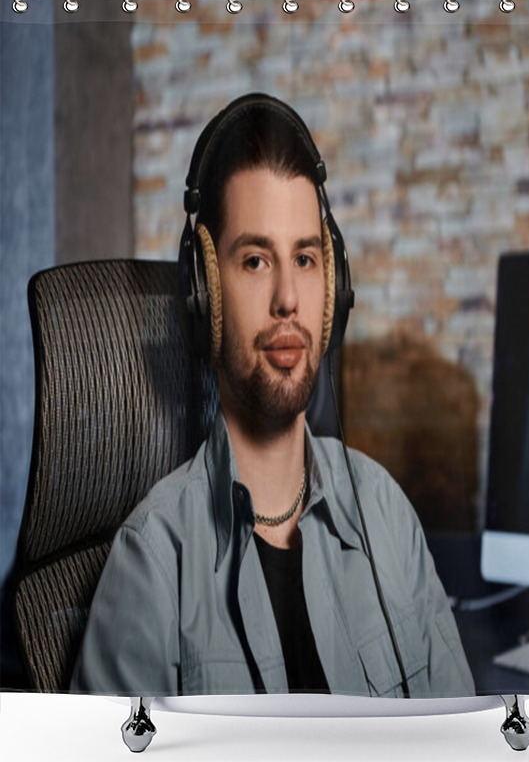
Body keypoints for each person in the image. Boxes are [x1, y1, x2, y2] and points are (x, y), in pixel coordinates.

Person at [70, 93, 475, 698]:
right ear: (205, 297)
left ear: (332, 288)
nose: (288, 297)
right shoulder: (152, 565)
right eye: (256, 260)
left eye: (306, 259)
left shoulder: (386, 515)